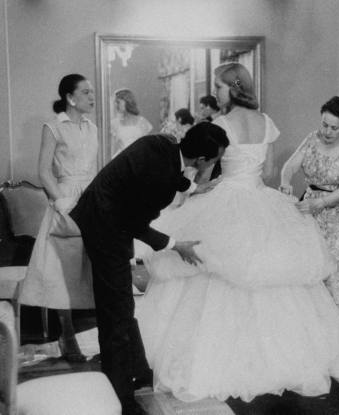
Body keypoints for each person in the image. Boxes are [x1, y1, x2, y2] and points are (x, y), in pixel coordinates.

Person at [137, 63, 339, 403]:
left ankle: (216, 360)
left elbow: (210, 170)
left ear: (234, 88)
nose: (217, 93)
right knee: (266, 276)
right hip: (260, 197)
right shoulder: (266, 122)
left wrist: (200, 189)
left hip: (227, 197)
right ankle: (278, 360)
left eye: (220, 88)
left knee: (212, 271)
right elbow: (270, 170)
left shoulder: (221, 124)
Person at [70, 123, 229, 415]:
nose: (214, 165)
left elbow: (173, 174)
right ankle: (121, 400)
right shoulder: (162, 181)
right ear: (202, 160)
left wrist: (195, 187)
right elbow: (134, 223)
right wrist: (174, 244)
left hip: (104, 213)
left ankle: (137, 368)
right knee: (114, 313)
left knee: (121, 304)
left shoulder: (162, 145)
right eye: (215, 160)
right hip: (104, 225)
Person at [19, 74, 97, 362]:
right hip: (64, 199)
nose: (91, 96)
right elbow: (43, 171)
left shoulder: (92, 128)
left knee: (89, 267)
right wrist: (61, 201)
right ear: (70, 97)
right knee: (60, 271)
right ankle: (66, 334)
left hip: (91, 198)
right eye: (86, 92)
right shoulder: (53, 127)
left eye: (92, 92)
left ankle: (92, 333)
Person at [280, 96, 339, 320]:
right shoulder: (311, 139)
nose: (327, 131)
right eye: (324, 124)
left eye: (334, 128)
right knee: (312, 266)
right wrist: (286, 182)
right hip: (311, 208)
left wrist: (320, 203)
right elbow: (290, 166)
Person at [110, 89, 152, 158]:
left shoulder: (142, 122)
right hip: (121, 158)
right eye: (115, 103)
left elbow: (147, 146)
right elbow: (112, 147)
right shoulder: (114, 124)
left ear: (127, 101)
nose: (116, 105)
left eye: (118, 102)